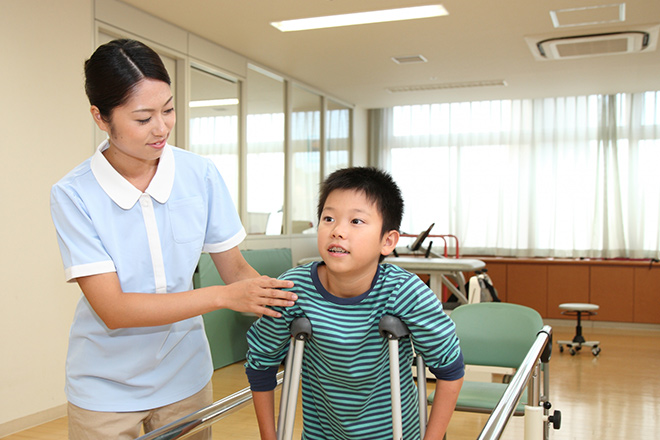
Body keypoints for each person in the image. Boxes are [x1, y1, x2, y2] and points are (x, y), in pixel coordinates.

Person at [50, 39, 296, 440]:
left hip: (186, 380)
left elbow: (235, 270)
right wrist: (221, 297)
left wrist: (293, 308)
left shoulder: (199, 174)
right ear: (100, 117)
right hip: (105, 389)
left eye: (168, 110)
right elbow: (114, 309)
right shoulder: (74, 194)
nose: (162, 128)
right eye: (143, 118)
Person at [245, 167, 464, 439]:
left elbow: (450, 368)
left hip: (397, 434)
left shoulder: (404, 291)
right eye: (328, 218)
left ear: (387, 241)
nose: (337, 231)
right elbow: (260, 363)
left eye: (356, 221)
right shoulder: (293, 290)